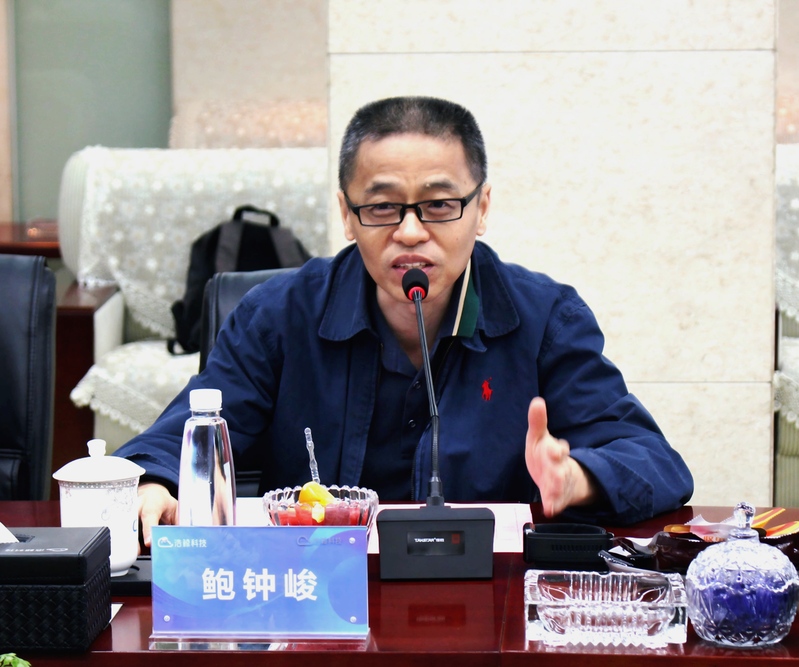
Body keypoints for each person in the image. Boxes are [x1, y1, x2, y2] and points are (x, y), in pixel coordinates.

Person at [115, 96, 693, 547]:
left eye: (439, 205)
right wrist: (157, 481)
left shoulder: (544, 318)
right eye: (383, 207)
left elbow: (655, 462)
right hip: (318, 598)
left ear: (481, 208)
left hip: (483, 600)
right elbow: (185, 434)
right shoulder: (278, 315)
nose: (411, 232)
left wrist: (576, 479)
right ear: (347, 215)